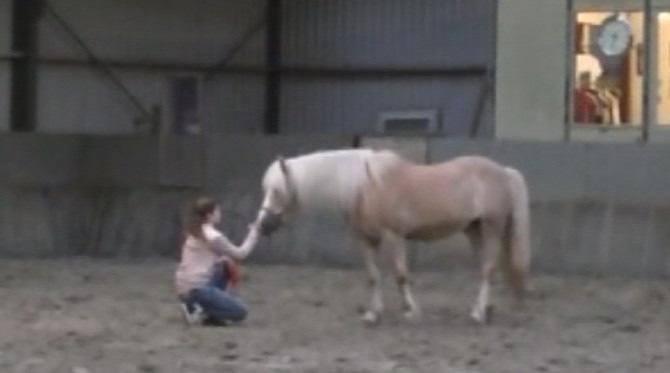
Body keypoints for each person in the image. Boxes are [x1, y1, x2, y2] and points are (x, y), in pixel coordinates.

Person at [175, 197, 260, 326]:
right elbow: (241, 254)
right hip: (198, 288)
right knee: (241, 312)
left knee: (224, 264)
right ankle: (197, 309)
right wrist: (255, 233)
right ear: (209, 215)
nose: (220, 214)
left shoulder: (194, 231)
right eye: (217, 211)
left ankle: (197, 307)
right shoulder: (214, 237)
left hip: (184, 287)